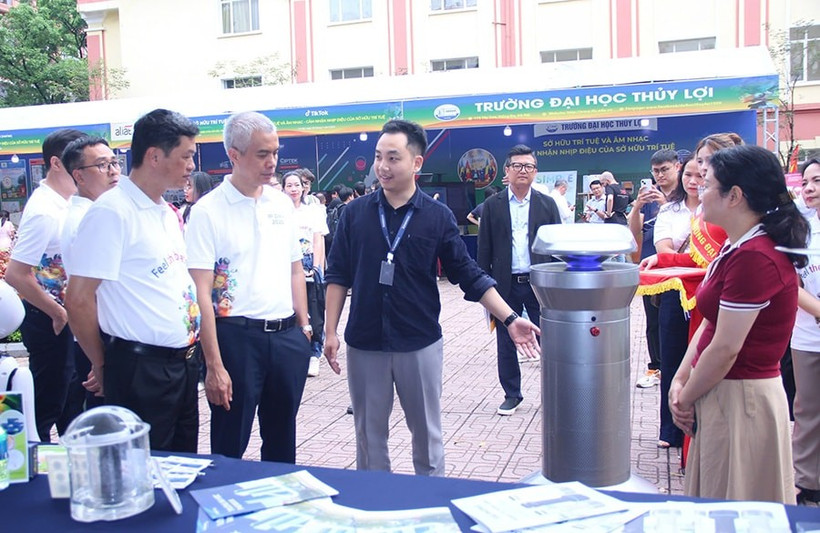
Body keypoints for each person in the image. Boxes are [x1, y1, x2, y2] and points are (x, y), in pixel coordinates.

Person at [323, 119, 540, 476]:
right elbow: (338, 275)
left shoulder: (437, 217)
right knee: (368, 436)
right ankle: (377, 508)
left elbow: (469, 274)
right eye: (378, 157)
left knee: (426, 435)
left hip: (419, 343)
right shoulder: (354, 214)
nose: (382, 166)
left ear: (417, 163)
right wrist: (330, 332)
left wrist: (511, 319)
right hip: (364, 343)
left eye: (393, 158)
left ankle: (432, 505)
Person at [670, 144, 808, 504]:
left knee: (737, 505)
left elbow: (727, 348)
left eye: (707, 182)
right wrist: (680, 379)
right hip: (719, 391)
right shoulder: (736, 247)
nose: (698, 189)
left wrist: (685, 397)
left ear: (735, 196)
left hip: (741, 399)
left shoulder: (756, 257)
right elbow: (711, 325)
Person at [65, 109, 201, 453]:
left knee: (181, 465)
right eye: (185, 155)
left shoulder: (164, 212)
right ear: (154, 156)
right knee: (145, 467)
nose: (191, 165)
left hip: (181, 364)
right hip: (141, 369)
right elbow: (79, 298)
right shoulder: (112, 212)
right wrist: (101, 362)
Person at [186, 112, 312, 463]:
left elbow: (294, 269)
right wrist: (213, 364)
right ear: (234, 154)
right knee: (230, 441)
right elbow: (201, 291)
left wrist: (304, 328)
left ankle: (281, 508)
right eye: (261, 154)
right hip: (235, 338)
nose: (272, 162)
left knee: (282, 439)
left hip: (286, 336)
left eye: (274, 152)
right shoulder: (208, 211)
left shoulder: (281, 204)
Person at [5, 128, 86, 441]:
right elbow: (15, 273)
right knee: (47, 403)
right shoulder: (43, 210)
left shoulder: (65, 203)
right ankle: (27, 468)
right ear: (56, 163)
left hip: (65, 316)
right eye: (77, 162)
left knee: (70, 404)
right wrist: (57, 312)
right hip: (48, 318)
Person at [477, 145, 562, 415]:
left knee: (550, 337)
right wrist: (484, 286)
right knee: (506, 338)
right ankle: (512, 394)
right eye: (517, 166)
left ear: (535, 172)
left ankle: (556, 394)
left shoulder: (547, 204)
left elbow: (556, 247)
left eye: (528, 166)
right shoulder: (492, 205)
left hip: (540, 282)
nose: (523, 171)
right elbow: (484, 248)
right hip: (504, 283)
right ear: (507, 171)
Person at [59, 135, 122, 410]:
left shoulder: (97, 211)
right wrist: (100, 361)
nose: (113, 171)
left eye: (115, 162)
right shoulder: (87, 219)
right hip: (99, 338)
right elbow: (83, 297)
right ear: (79, 176)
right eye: (102, 165)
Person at [652, 155, 701, 449]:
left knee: (702, 360)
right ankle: (670, 429)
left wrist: (677, 258)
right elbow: (663, 253)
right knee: (672, 360)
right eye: (689, 176)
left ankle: (698, 427)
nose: (693, 182)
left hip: (709, 292)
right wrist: (692, 258)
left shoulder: (716, 209)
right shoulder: (669, 210)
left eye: (699, 175)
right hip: (675, 292)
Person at [628, 150, 680, 389]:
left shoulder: (684, 196)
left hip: (678, 269)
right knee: (653, 321)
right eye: (656, 171)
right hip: (651, 266)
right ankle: (655, 367)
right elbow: (633, 232)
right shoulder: (648, 199)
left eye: (665, 169)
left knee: (675, 321)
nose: (660, 175)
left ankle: (675, 367)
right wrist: (638, 204)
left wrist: (666, 204)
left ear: (677, 167)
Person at [791, 158, 820, 506]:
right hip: (808, 336)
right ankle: (808, 485)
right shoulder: (800, 231)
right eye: (807, 182)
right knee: (809, 410)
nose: (810, 188)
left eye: (818, 181)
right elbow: (791, 283)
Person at [282, 170, 328, 378]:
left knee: (315, 309)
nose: (293, 189)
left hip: (309, 260)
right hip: (285, 264)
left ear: (303, 187)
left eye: (296, 185)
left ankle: (314, 353)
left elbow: (318, 240)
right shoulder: (279, 213)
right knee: (291, 310)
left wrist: (318, 267)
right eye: (289, 185)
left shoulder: (313, 211)